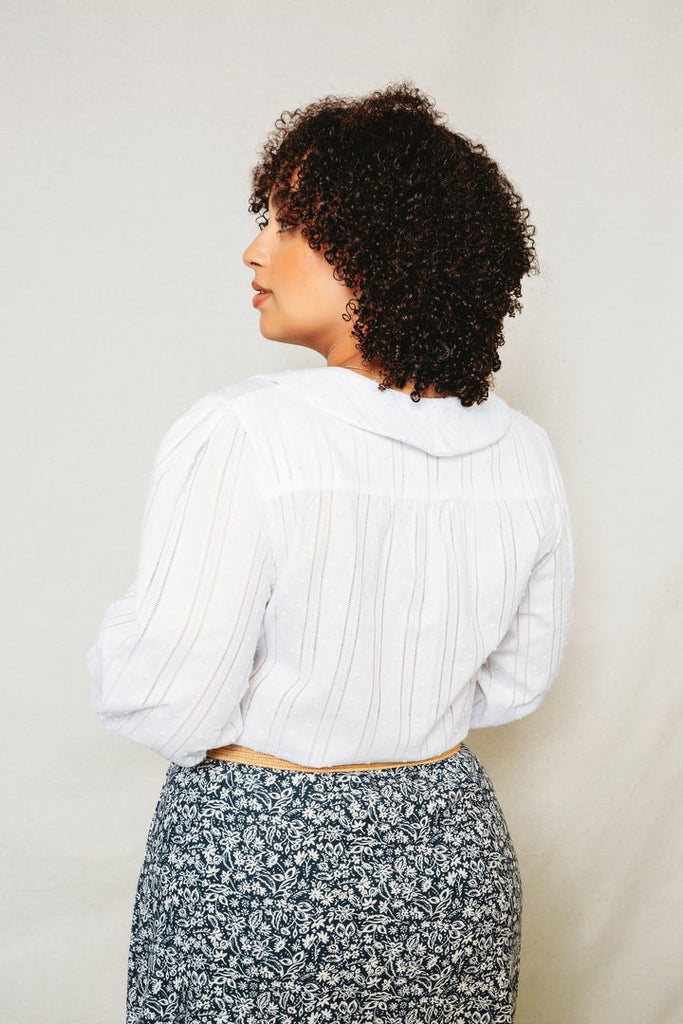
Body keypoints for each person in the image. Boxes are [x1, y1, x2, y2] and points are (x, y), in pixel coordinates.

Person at [86, 81, 575, 1024]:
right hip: (449, 857)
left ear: (379, 253)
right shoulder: (521, 451)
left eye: (289, 224)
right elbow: (513, 687)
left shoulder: (243, 430)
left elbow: (161, 694)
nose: (255, 249)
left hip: (257, 858)